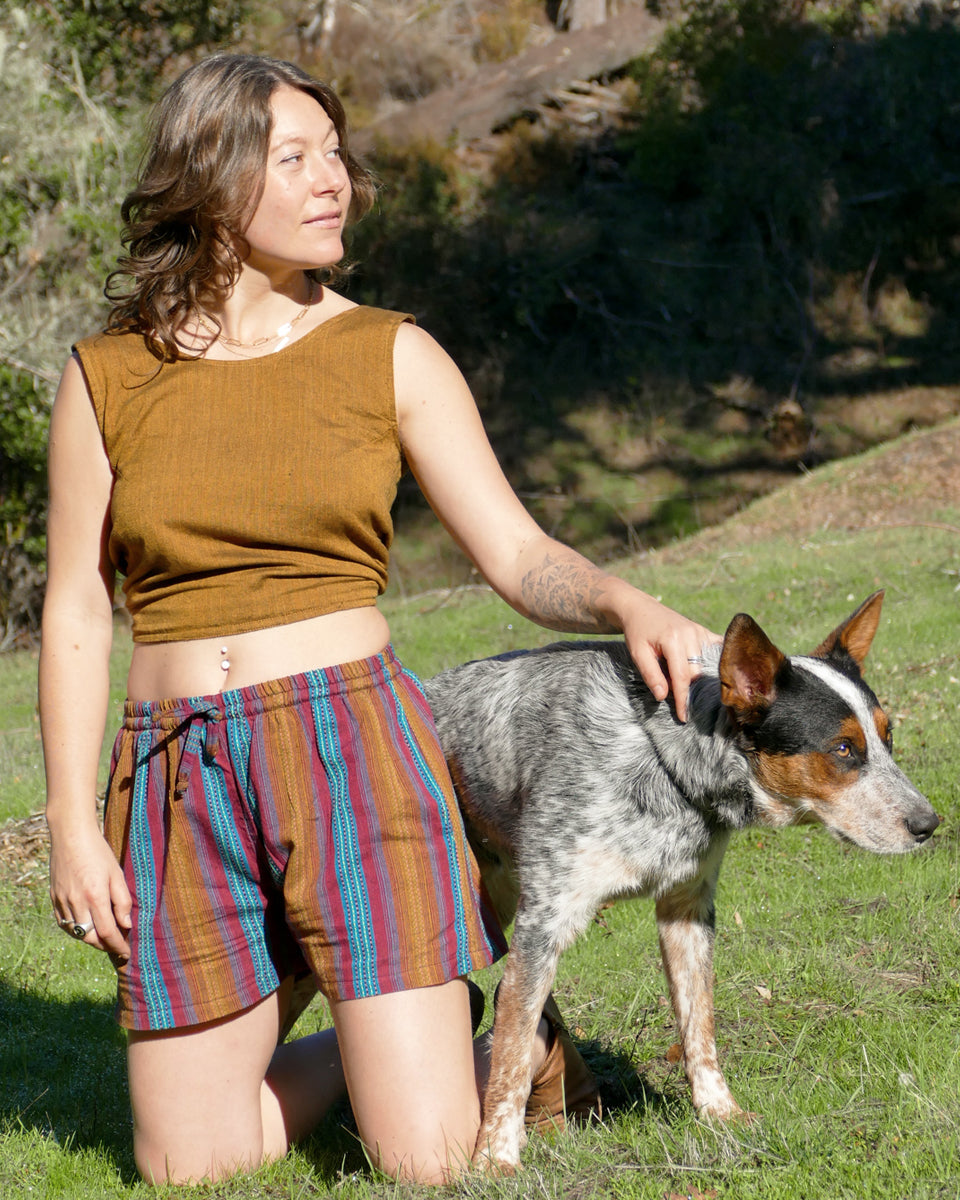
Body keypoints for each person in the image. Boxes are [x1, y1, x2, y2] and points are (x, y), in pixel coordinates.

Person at [39, 53, 715, 1186]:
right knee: (187, 1164)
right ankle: (410, 1029)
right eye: (293, 158)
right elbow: (75, 606)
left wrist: (623, 598)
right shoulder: (107, 376)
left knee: (432, 1162)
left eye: (335, 153)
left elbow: (515, 552)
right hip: (179, 771)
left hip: (350, 750)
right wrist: (69, 817)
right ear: (211, 182)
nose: (334, 180)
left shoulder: (388, 353)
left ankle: (457, 1029)